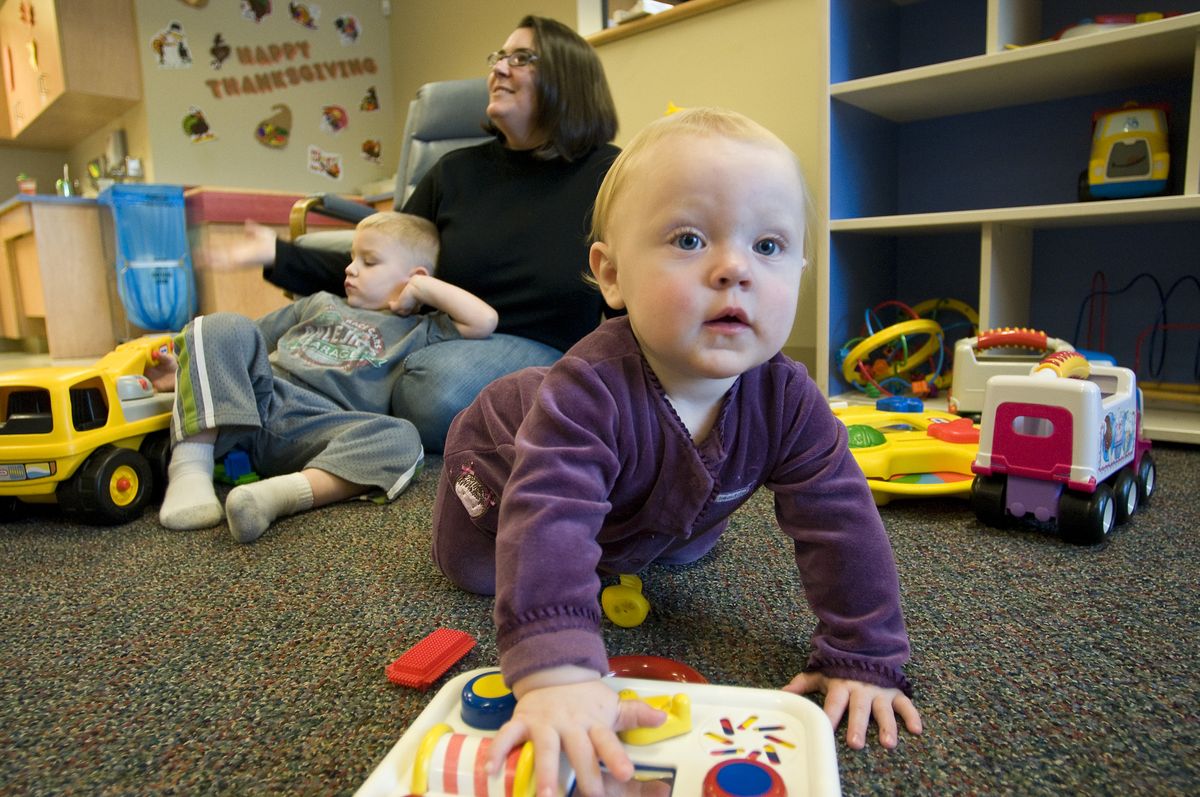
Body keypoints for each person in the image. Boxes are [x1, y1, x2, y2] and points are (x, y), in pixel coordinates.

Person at [430, 108, 923, 797]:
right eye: (689, 239)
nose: (734, 269)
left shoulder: (790, 397)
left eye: (771, 246)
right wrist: (560, 671)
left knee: (683, 544)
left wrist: (866, 649)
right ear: (612, 274)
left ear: (804, 267)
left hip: (647, 490)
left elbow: (840, 519)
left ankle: (644, 532)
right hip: (501, 454)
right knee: (481, 571)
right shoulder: (586, 388)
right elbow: (551, 516)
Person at [212, 15, 620, 451]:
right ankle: (222, 389)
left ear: (569, 76)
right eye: (498, 57)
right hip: (430, 334)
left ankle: (306, 422)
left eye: (521, 58)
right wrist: (276, 253)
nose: (499, 68)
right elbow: (385, 264)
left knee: (430, 391)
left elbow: (628, 299)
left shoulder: (608, 176)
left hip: (535, 347)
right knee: (304, 347)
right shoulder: (455, 172)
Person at [151, 212, 496, 544]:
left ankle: (275, 498)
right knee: (217, 323)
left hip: (320, 426)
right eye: (352, 258)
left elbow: (484, 320)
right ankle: (190, 470)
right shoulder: (318, 302)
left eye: (369, 261)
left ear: (414, 276)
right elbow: (241, 340)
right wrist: (189, 365)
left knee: (404, 438)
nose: (350, 268)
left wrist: (421, 287)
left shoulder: (421, 330)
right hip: (260, 397)